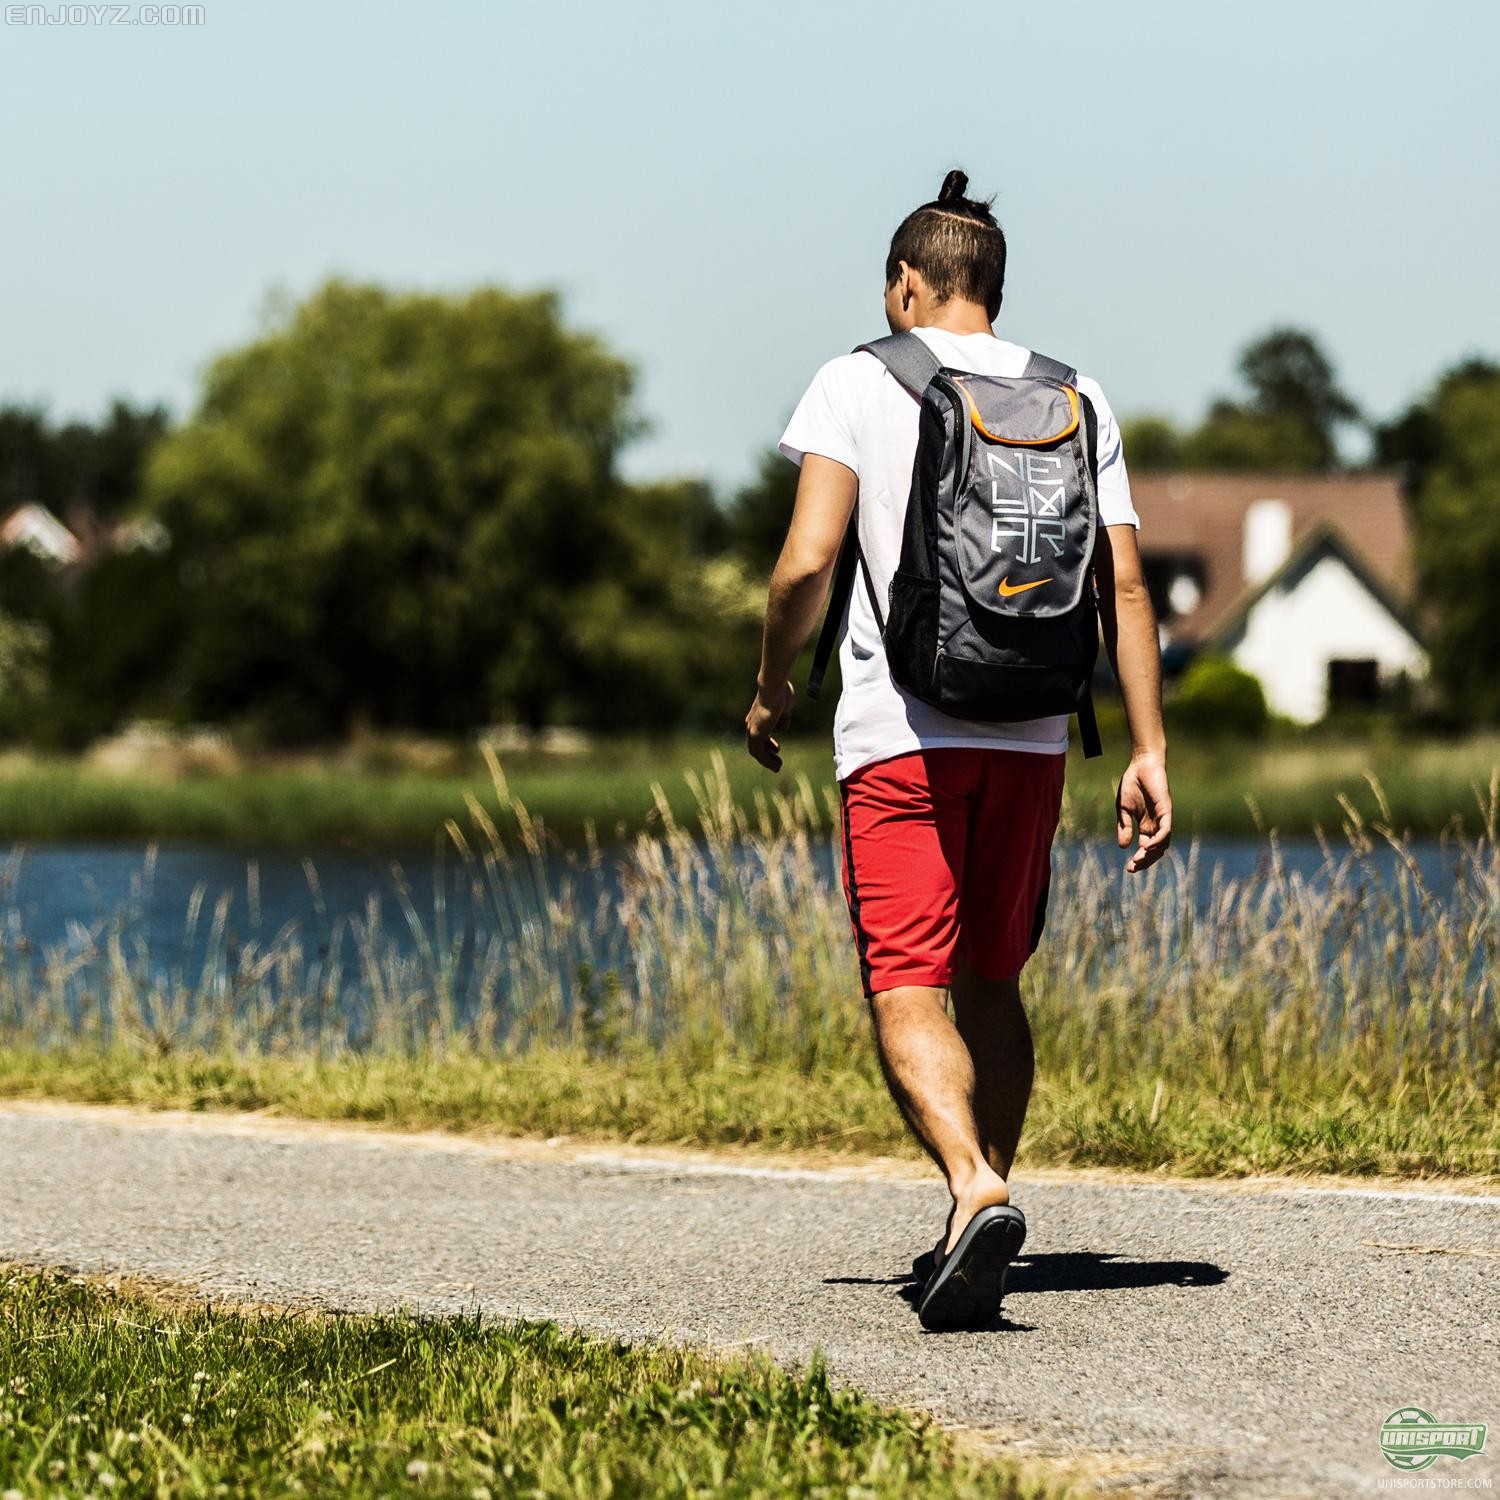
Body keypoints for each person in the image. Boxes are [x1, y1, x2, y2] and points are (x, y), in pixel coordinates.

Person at [745, 169, 1172, 1330]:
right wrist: (1147, 748)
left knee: (906, 982)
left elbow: (804, 565)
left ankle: (973, 1184)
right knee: (993, 979)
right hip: (1035, 733)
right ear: (992, 285)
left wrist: (775, 683)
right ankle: (972, 1212)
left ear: (906, 284)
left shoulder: (855, 380)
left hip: (902, 733)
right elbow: (1125, 582)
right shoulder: (1076, 393)